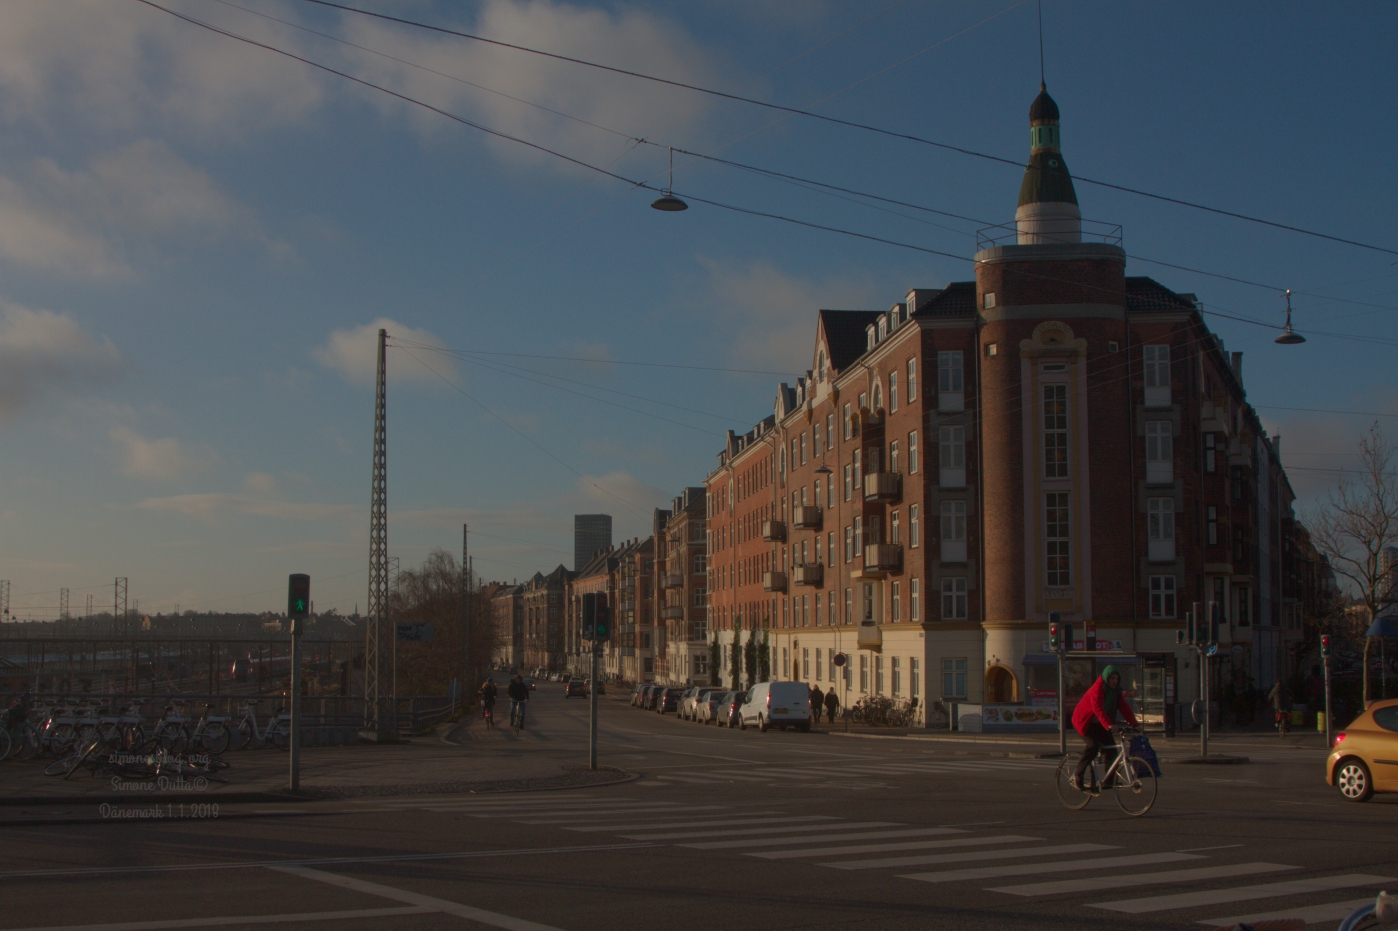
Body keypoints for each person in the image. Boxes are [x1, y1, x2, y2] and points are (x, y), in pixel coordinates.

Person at [1070, 665, 1138, 791]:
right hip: (1085, 722)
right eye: (1112, 678)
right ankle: (1077, 775)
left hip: (1100, 723)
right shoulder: (1097, 689)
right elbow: (1098, 709)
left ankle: (1108, 781)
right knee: (1093, 746)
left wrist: (1135, 724)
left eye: (1116, 678)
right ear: (1106, 678)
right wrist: (1109, 725)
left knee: (1112, 750)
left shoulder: (1116, 691)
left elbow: (1124, 707)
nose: (1114, 681)